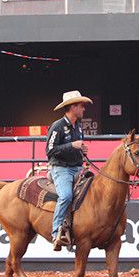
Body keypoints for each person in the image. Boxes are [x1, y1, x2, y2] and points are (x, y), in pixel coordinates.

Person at [46, 90, 92, 251]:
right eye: (81, 106)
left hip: (78, 167)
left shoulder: (78, 127)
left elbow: (76, 147)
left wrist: (82, 151)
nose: (83, 109)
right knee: (66, 196)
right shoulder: (57, 126)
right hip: (61, 169)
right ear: (73, 107)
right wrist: (72, 145)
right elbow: (50, 151)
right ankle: (56, 231)